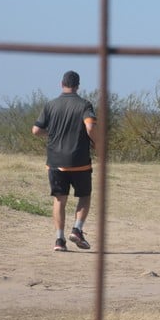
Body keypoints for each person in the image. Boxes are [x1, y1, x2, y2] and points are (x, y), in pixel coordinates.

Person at [32, 70, 98, 252]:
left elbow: (36, 130)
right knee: (84, 196)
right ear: (78, 86)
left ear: (62, 84)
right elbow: (90, 126)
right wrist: (97, 143)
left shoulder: (50, 105)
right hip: (79, 160)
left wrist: (52, 133)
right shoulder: (84, 105)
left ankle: (59, 240)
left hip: (54, 161)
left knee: (59, 200)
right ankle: (77, 229)